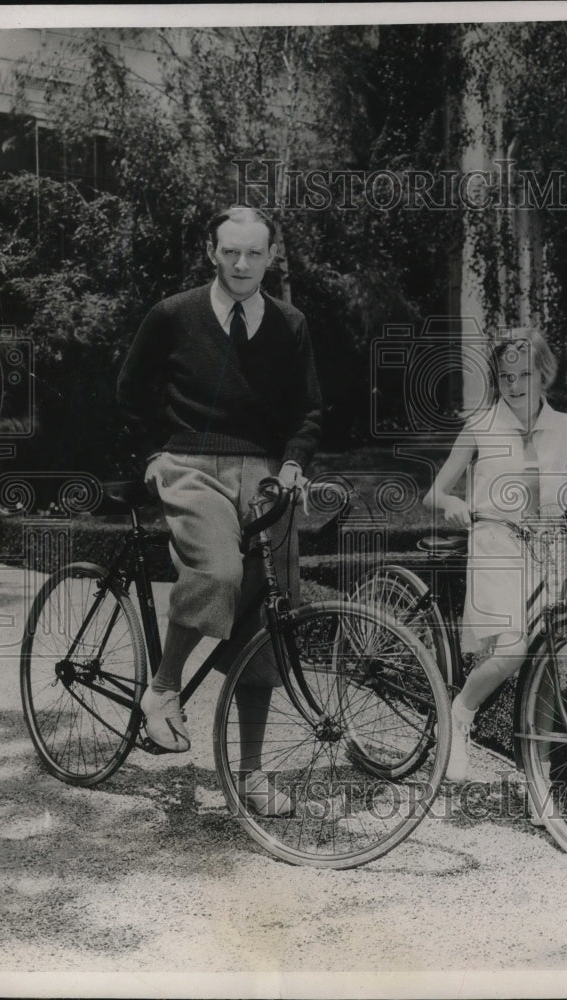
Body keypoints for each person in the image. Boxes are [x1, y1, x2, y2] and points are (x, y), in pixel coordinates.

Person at [117, 205, 323, 813]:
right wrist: (153, 452)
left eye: (254, 253)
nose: (241, 264)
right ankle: (163, 686)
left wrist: (292, 464)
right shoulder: (173, 315)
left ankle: (251, 775)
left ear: (270, 257)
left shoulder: (290, 324)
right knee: (219, 573)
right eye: (230, 251)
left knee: (267, 618)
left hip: (264, 473)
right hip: (188, 464)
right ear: (211, 250)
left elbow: (309, 411)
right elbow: (131, 390)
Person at [423, 328, 567, 782]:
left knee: (549, 662)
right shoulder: (480, 427)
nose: (515, 384)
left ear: (543, 373)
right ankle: (461, 714)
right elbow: (434, 492)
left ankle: (537, 777)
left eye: (524, 373)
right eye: (506, 375)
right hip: (497, 548)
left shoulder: (566, 427)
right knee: (511, 650)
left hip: (550, 552)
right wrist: (452, 503)